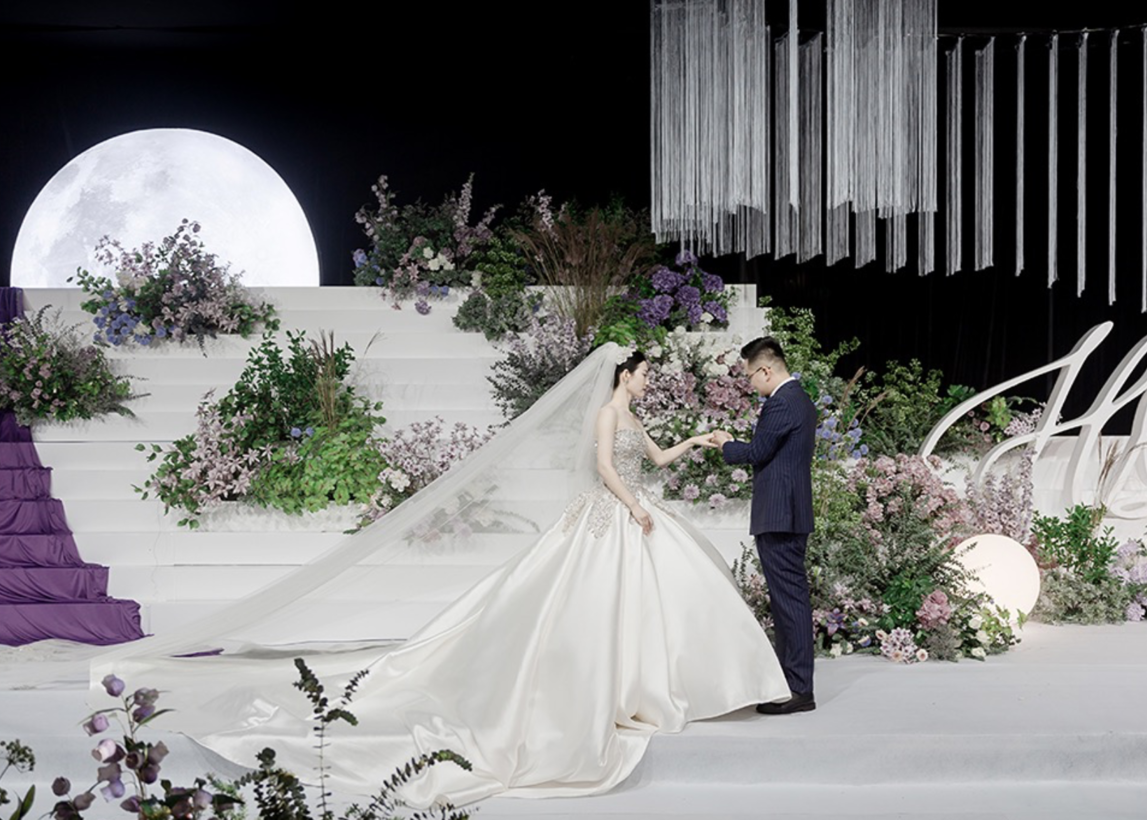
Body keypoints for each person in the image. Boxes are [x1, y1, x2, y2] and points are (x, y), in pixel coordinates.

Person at [98, 346, 790, 806]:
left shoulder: (631, 414)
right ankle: (613, 685)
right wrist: (634, 506)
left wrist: (697, 441)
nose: (647, 381)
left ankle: (659, 684)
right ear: (623, 375)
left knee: (657, 604)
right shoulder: (609, 413)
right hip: (612, 517)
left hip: (633, 514)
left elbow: (655, 459)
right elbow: (608, 469)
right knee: (590, 608)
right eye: (643, 374)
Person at [713, 336, 818, 715]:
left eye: (750, 377)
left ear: (765, 370)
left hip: (779, 514)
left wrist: (725, 444)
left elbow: (758, 452)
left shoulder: (781, 403)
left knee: (789, 601)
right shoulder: (801, 399)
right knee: (789, 599)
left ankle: (798, 689)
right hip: (790, 512)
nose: (750, 384)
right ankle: (791, 683)